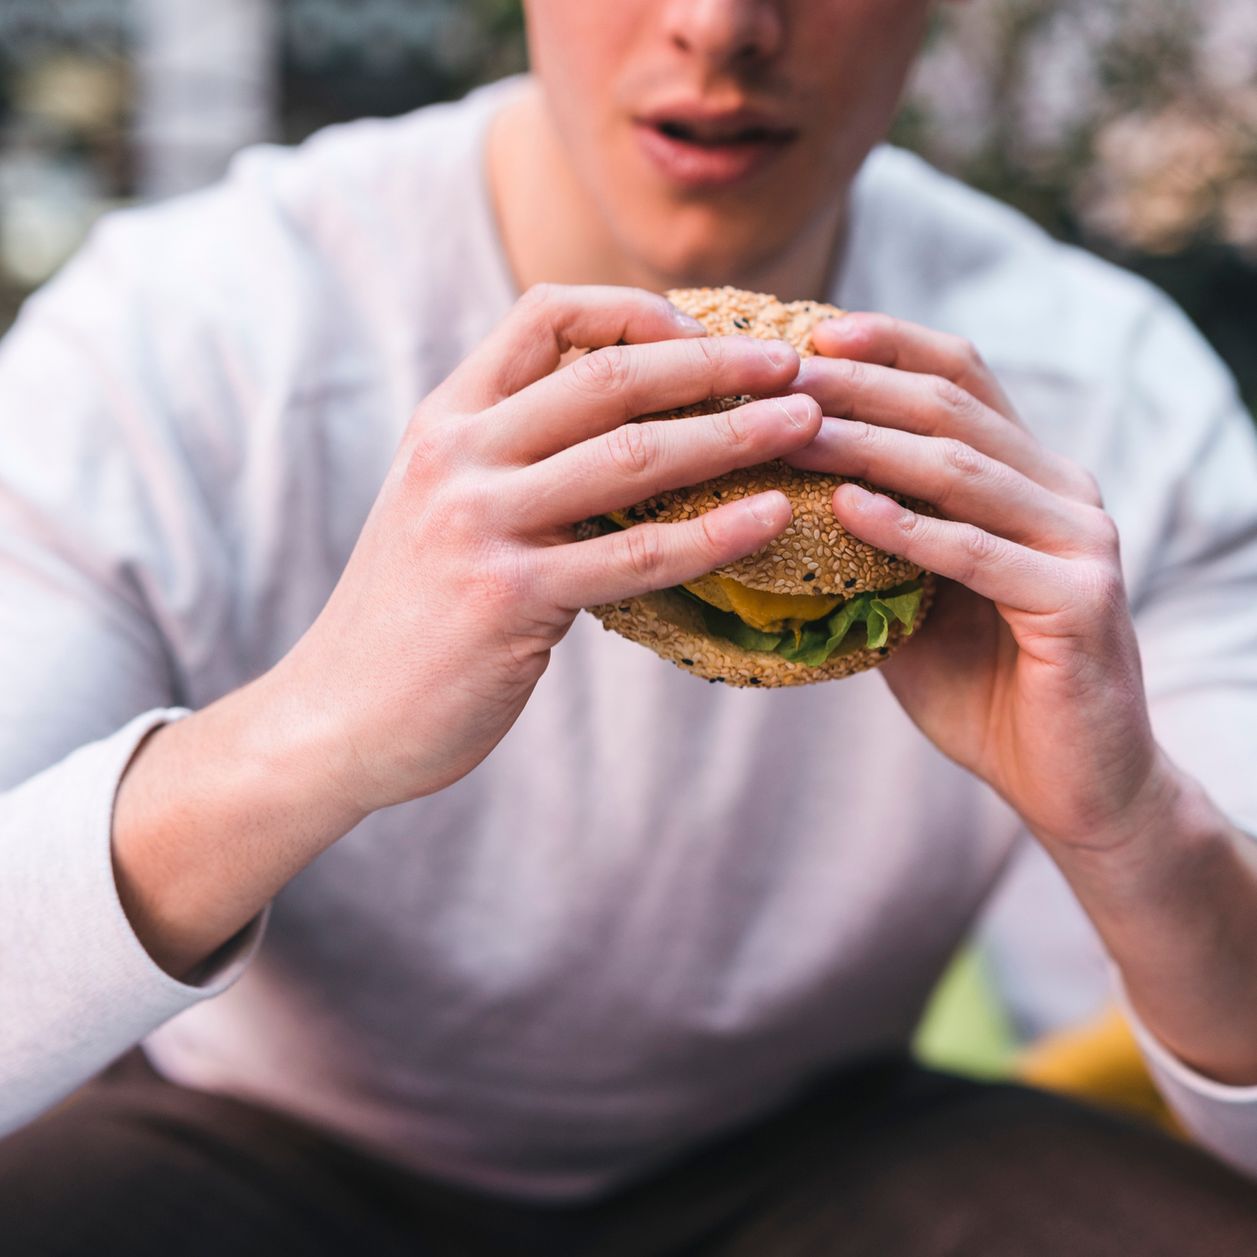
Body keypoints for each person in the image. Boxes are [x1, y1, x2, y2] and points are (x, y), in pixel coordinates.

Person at [3, 1, 1257, 1252]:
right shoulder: (190, 333)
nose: (721, 26)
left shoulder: (1107, 398)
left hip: (818, 1157)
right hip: (244, 1146)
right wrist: (314, 729)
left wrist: (1129, 821)